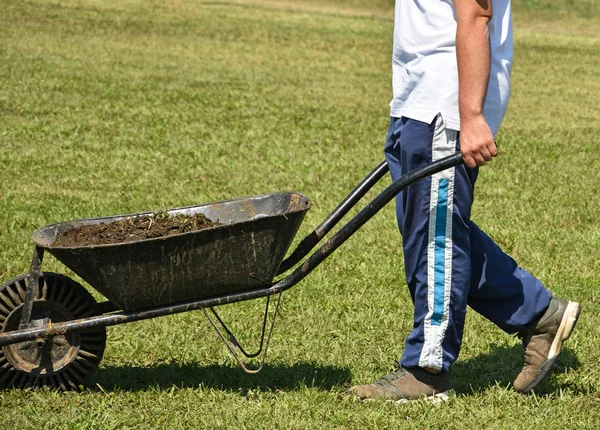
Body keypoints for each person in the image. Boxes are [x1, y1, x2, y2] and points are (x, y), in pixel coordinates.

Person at [348, 0, 581, 402]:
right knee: (432, 229)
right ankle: (538, 313)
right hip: (418, 97)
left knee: (437, 241)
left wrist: (471, 115)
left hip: (447, 103)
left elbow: (476, 14)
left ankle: (427, 371)